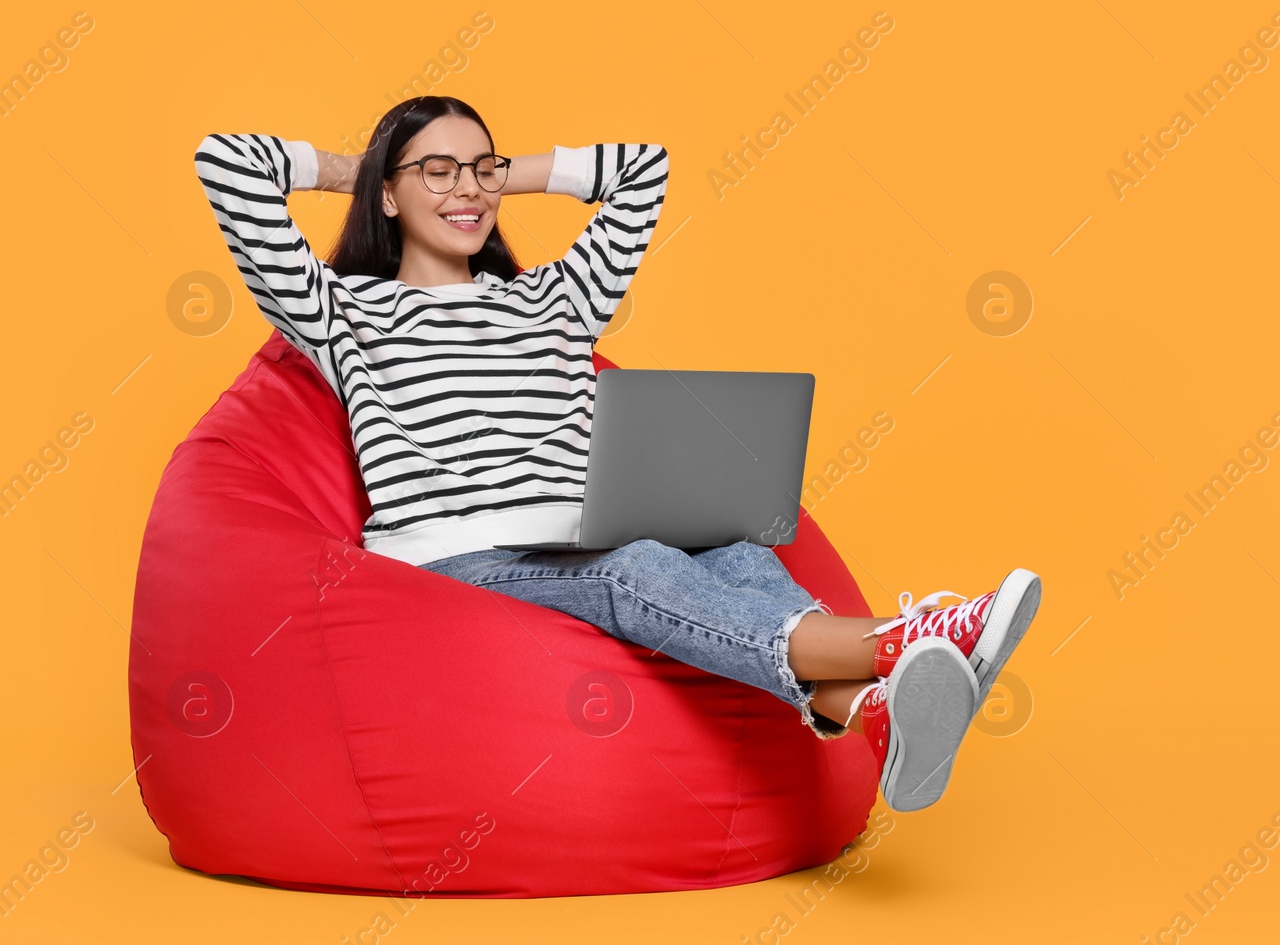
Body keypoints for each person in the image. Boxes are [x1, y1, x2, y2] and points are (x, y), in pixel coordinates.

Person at [193, 95, 1041, 812]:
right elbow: (226, 162)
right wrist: (364, 170)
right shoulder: (345, 313)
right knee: (631, 567)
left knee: (738, 546)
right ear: (388, 193)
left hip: (580, 533)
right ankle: (910, 637)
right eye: (437, 170)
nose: (469, 189)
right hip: (461, 560)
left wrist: (498, 174)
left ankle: (871, 708)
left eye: (483, 168)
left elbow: (644, 170)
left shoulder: (555, 298)